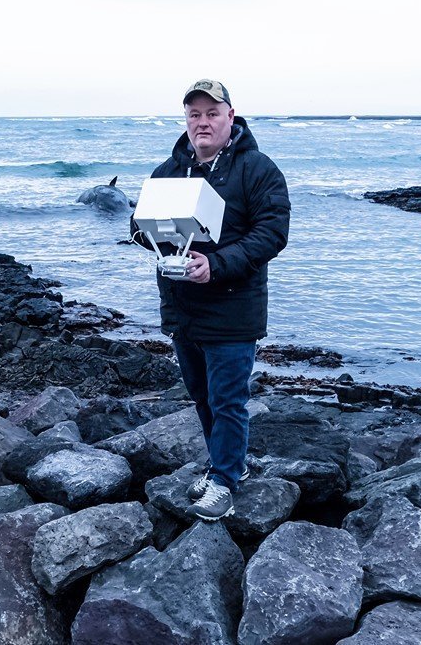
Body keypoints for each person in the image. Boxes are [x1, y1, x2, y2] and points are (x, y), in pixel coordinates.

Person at [130, 79, 290, 520]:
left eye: (212, 113)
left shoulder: (257, 169)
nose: (203, 122)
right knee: (201, 396)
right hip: (182, 307)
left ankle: (224, 481)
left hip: (233, 308)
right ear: (186, 119)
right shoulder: (168, 170)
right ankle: (224, 464)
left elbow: (272, 233)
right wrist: (153, 237)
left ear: (230, 117)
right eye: (194, 114)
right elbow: (138, 225)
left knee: (227, 400)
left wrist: (215, 265)